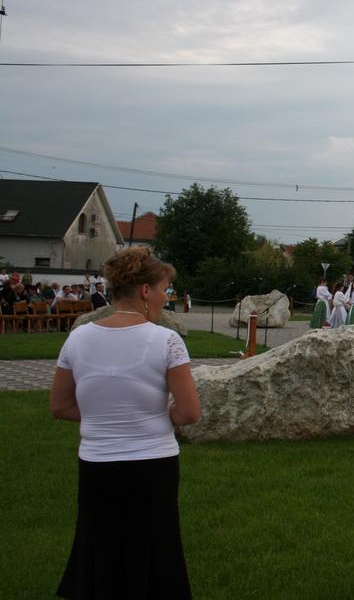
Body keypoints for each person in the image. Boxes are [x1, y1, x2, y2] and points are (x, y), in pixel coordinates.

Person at [50, 246, 199, 599]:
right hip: (153, 463)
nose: (166, 297)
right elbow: (189, 412)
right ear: (145, 290)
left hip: (97, 463)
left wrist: (104, 416)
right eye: (163, 289)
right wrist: (153, 417)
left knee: (101, 546)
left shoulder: (78, 337)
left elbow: (60, 406)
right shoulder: (167, 340)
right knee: (155, 548)